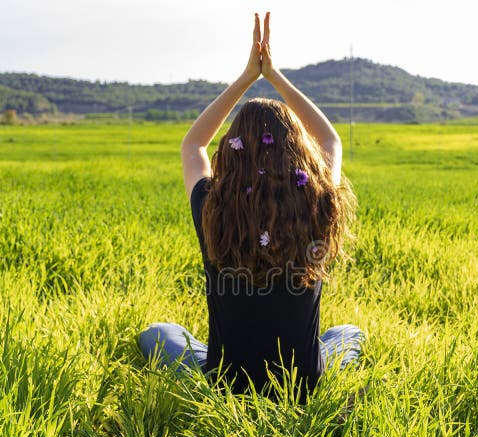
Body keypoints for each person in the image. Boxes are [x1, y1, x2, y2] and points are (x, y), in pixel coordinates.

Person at [138, 12, 364, 400]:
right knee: (350, 335)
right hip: (303, 384)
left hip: (226, 383)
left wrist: (247, 77)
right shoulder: (319, 203)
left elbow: (192, 146)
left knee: (157, 333)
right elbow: (331, 141)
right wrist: (273, 75)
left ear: (233, 149)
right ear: (298, 151)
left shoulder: (215, 206)